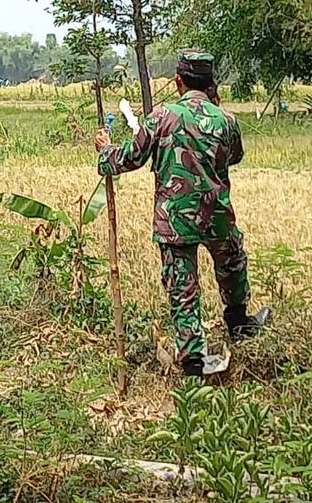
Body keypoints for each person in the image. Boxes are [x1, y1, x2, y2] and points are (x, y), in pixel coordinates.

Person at [95, 50, 269, 378]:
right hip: (217, 215)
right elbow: (235, 156)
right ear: (211, 83)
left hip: (175, 220)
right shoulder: (226, 119)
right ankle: (238, 323)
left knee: (183, 286)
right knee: (232, 265)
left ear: (178, 81)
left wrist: (105, 150)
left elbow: (129, 159)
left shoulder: (162, 117)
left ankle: (193, 359)